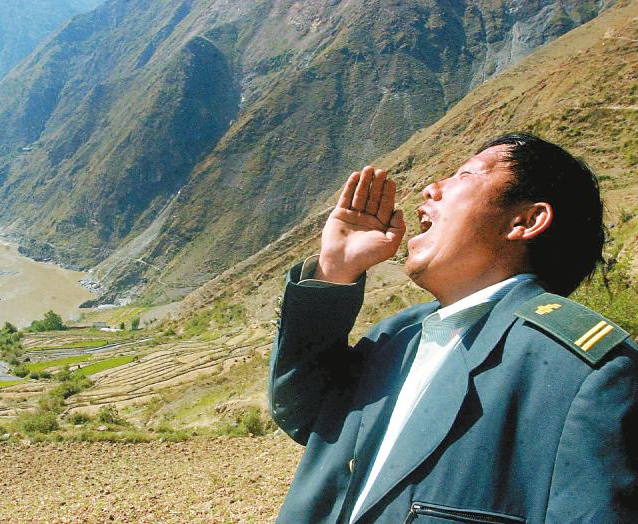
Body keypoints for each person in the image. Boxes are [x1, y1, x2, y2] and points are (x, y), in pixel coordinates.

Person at [269, 133, 637, 523]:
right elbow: (302, 414)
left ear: (525, 221)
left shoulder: (589, 375)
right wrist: (336, 268)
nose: (431, 189)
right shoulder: (395, 337)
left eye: (465, 175)